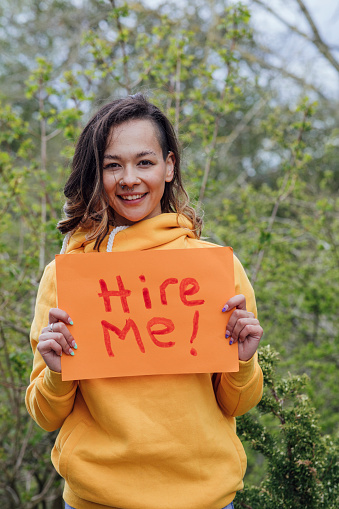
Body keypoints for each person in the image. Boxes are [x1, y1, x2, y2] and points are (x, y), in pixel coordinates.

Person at [25, 93, 263, 509]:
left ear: (169, 166)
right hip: (95, 500)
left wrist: (243, 361)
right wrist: (58, 372)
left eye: (145, 162)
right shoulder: (66, 274)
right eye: (113, 165)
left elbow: (238, 403)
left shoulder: (215, 267)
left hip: (206, 499)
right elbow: (45, 415)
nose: (129, 178)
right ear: (96, 174)